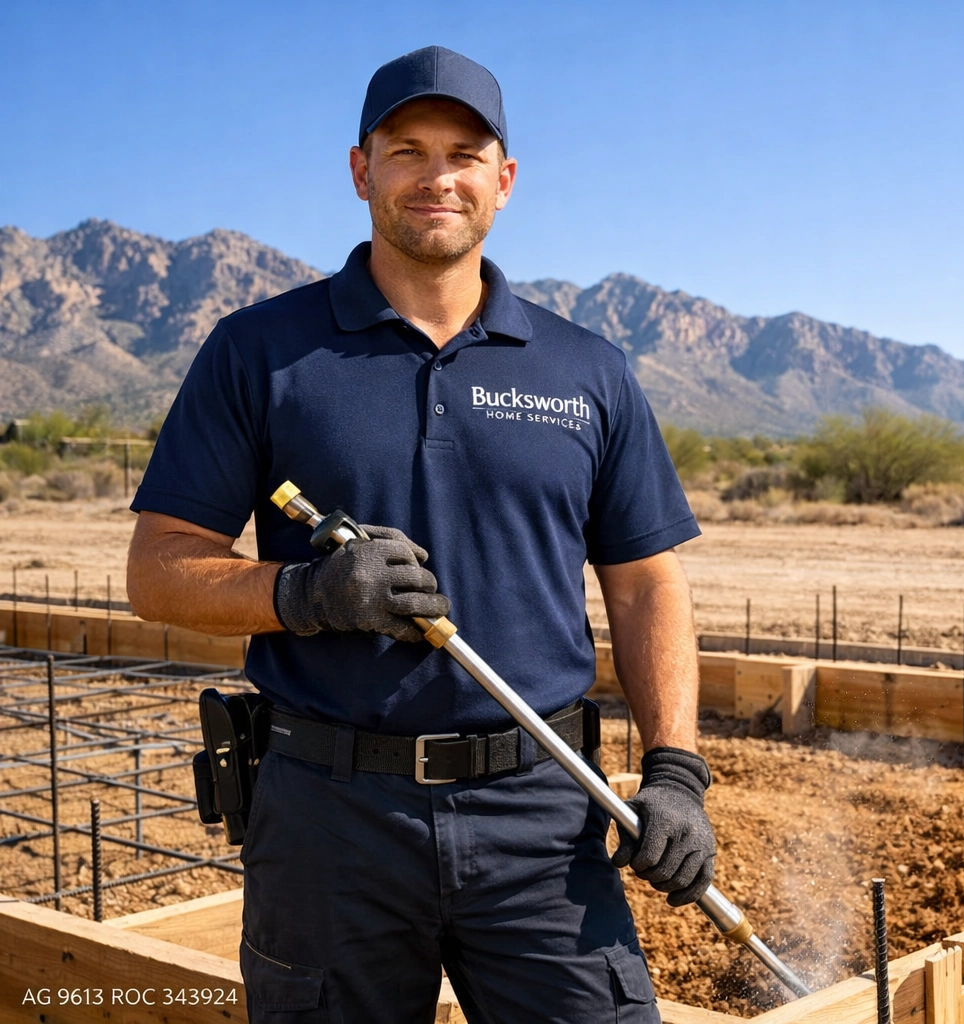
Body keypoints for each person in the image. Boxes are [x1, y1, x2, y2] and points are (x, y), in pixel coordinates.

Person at [126, 45, 713, 1024]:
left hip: (541, 815)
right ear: (361, 169)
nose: (437, 177)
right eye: (407, 150)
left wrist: (678, 771)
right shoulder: (260, 353)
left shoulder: (587, 370)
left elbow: (648, 582)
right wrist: (304, 595)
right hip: (329, 816)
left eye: (464, 153)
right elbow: (158, 571)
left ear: (504, 181)